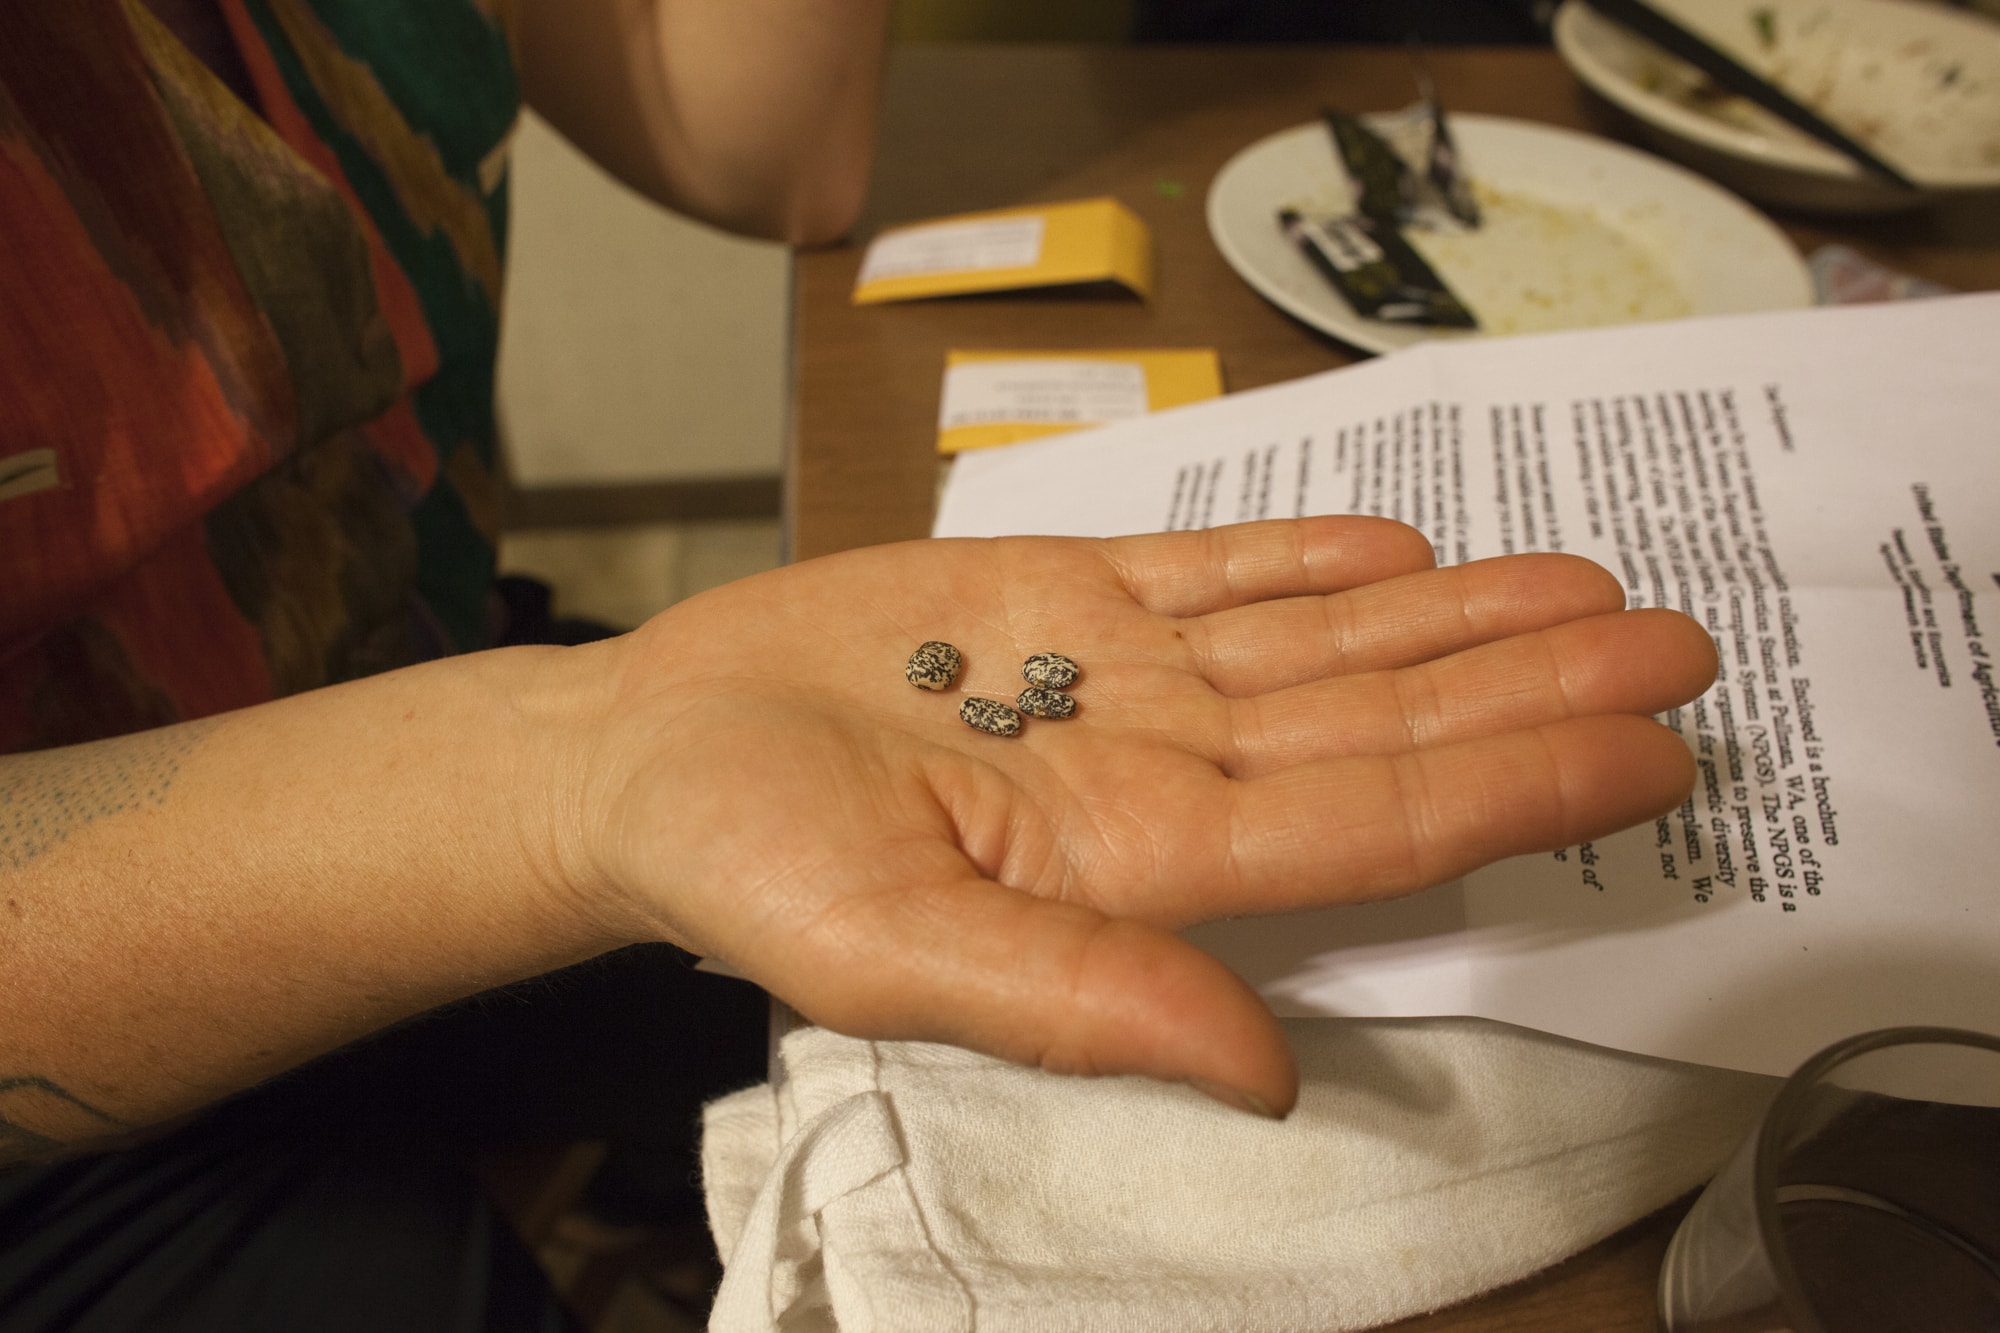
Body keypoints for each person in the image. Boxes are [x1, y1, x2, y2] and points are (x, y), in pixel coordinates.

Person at [0, 0, 1718, 1326]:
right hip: (73, 1052)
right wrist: (563, 774)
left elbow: (772, 156)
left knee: (1096, 1067)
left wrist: (574, 747)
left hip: (398, 669)